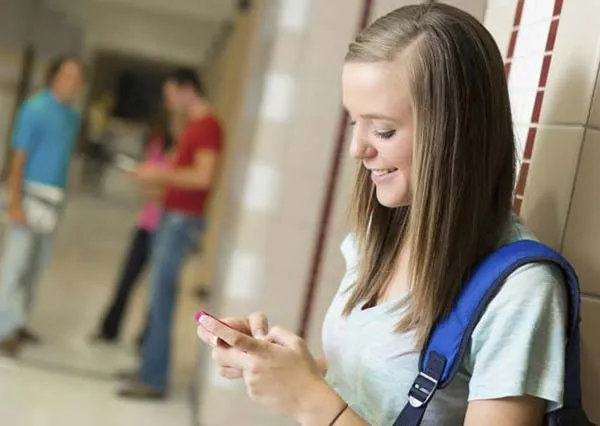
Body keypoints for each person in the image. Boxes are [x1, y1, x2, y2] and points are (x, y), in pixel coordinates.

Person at [196, 4, 569, 426]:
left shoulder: (520, 293)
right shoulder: (383, 236)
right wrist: (281, 367)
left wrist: (307, 399)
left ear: (455, 133)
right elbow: (383, 392)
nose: (358, 149)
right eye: (354, 121)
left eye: (383, 130)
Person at [119, 68, 223, 399]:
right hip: (172, 216)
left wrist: (159, 173)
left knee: (162, 297)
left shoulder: (208, 127)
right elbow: (181, 170)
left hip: (182, 221)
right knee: (156, 296)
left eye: (170, 94)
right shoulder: (192, 127)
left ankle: (153, 379)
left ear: (187, 89)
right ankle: (149, 365)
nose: (168, 102)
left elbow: (202, 177)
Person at [0, 56, 84, 355]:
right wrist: (14, 202)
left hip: (53, 199)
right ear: (54, 76)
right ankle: (3, 328)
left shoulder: (72, 117)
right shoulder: (34, 109)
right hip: (28, 195)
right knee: (17, 263)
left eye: (77, 78)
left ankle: (18, 321)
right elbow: (18, 157)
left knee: (37, 265)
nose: (71, 83)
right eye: (66, 75)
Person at [92, 111, 175, 347]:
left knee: (157, 289)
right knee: (126, 279)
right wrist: (154, 185)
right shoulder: (158, 142)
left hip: (168, 228)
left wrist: (157, 185)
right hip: (146, 223)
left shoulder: (183, 149)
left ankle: (146, 339)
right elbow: (151, 184)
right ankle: (109, 329)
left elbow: (167, 189)